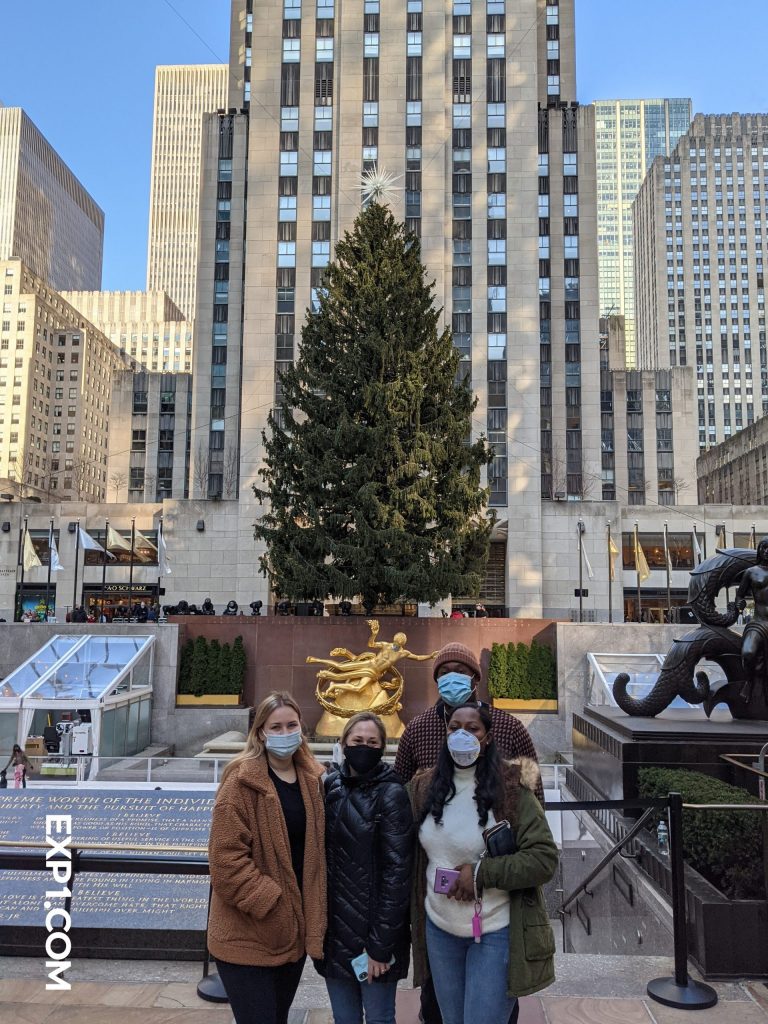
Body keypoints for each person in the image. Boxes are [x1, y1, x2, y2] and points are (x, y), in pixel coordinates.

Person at [394, 641, 543, 1024]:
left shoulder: (509, 729)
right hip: (439, 913)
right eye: (443, 672)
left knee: (490, 1009)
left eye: (459, 671)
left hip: (494, 915)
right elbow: (395, 797)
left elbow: (536, 819)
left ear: (475, 678)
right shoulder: (418, 734)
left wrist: (484, 872)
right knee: (442, 1010)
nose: (450, 678)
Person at [410, 702, 558, 1024]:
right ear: (445, 733)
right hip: (440, 929)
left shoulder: (512, 792)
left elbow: (544, 858)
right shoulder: (424, 788)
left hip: (494, 931)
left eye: (472, 728)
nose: (462, 734)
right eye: (454, 727)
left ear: (487, 736)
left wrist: (481, 873)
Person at [207, 692, 326, 1024]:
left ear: (302, 729)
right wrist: (273, 905)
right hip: (249, 933)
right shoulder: (239, 785)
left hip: (291, 936)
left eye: (292, 725)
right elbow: (225, 862)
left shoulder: (313, 781)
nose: (285, 732)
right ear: (260, 732)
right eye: (276, 726)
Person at [315, 712, 413, 1024]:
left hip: (376, 938)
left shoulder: (392, 793)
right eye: (358, 741)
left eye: (372, 742)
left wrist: (380, 947)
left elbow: (397, 876)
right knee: (344, 1018)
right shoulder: (330, 787)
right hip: (336, 936)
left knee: (379, 1018)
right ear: (343, 743)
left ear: (383, 747)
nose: (364, 747)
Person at [736, 537, 768, 702]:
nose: (767, 551)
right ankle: (749, 682)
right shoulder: (751, 572)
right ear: (760, 551)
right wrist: (738, 605)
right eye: (764, 548)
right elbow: (740, 595)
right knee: (748, 653)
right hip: (759, 622)